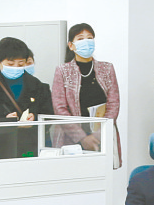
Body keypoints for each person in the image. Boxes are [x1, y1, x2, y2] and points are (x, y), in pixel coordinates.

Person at [51, 22, 121, 162]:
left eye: (89, 38)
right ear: (71, 45)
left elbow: (113, 104)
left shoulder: (107, 68)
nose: (86, 42)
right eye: (80, 38)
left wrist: (98, 135)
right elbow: (59, 108)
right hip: (71, 139)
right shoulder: (62, 71)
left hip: (101, 137)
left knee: (102, 172)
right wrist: (82, 138)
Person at [0, 37, 52, 121]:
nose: (15, 67)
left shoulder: (38, 86)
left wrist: (35, 118)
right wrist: (4, 121)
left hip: (31, 130)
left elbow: (48, 116)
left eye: (21, 64)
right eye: (10, 64)